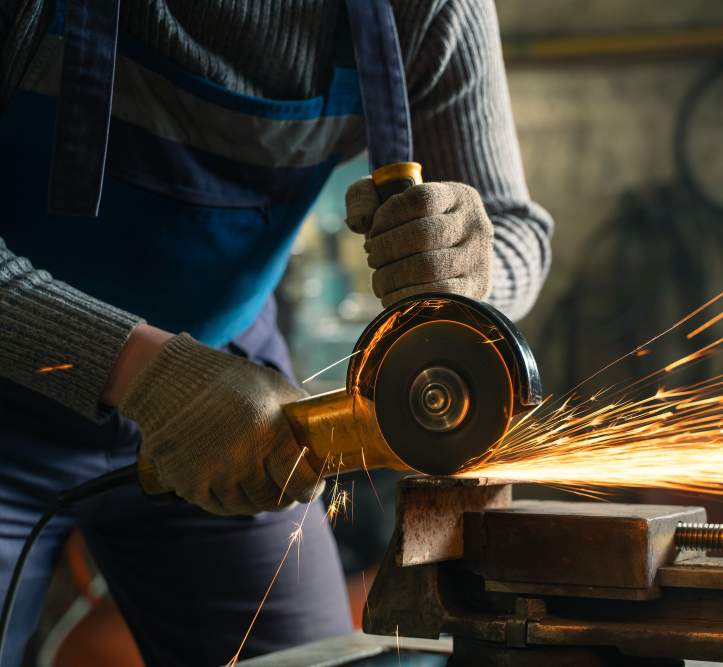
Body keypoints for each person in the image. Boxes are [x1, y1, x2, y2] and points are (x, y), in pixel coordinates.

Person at [0, 0, 552, 664]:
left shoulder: (425, 10)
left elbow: (518, 229)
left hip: (238, 400)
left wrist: (472, 263)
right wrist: (141, 368)